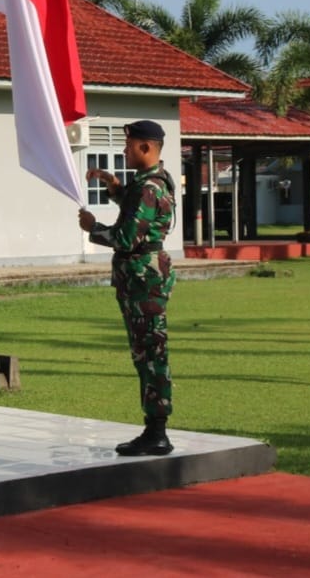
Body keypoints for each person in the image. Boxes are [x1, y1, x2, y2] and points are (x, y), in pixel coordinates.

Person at [78, 119, 177, 456]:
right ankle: (154, 428)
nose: (124, 150)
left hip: (142, 279)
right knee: (147, 352)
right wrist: (114, 185)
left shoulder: (148, 187)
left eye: (129, 145)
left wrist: (93, 228)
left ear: (146, 148)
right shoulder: (150, 183)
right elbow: (137, 210)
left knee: (150, 354)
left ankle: (157, 431)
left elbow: (126, 237)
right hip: (142, 278)